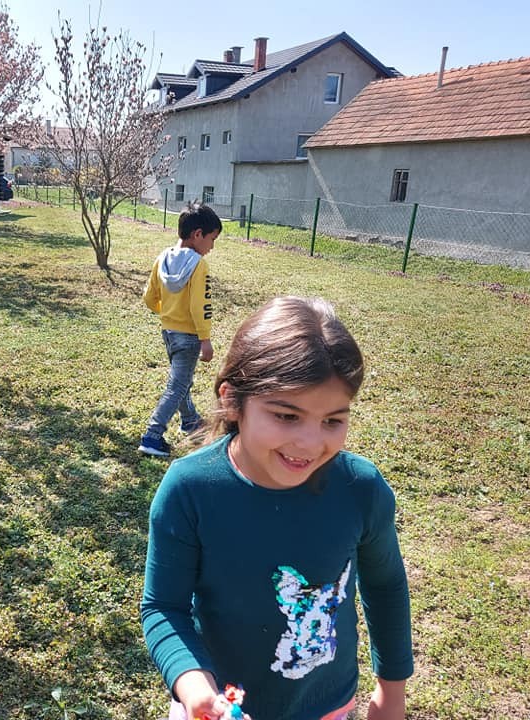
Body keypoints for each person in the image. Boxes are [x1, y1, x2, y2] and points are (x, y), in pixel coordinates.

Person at [141, 296, 414, 720]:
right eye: (286, 416)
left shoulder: (360, 489)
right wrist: (194, 687)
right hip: (215, 709)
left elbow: (386, 587)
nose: (309, 443)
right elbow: (164, 607)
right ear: (233, 400)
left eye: (332, 420)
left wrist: (391, 694)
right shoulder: (190, 489)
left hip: (326, 707)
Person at [138, 201, 222, 457]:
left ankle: (190, 421)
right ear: (198, 234)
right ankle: (152, 436)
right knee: (177, 386)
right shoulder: (199, 265)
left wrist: (168, 313)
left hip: (168, 332)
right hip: (189, 337)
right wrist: (205, 339)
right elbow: (201, 305)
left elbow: (149, 298)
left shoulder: (162, 258)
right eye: (212, 239)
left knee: (182, 380)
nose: (212, 246)